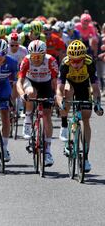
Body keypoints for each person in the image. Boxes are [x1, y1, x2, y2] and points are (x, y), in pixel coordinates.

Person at [56, 40, 103, 172]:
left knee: (86, 118)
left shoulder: (89, 63)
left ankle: (86, 158)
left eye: (78, 61)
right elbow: (59, 89)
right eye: (73, 60)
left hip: (83, 86)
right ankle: (65, 125)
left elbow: (95, 87)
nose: (75, 64)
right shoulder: (65, 63)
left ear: (84, 58)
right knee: (67, 91)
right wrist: (61, 103)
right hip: (69, 84)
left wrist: (97, 104)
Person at [16, 40, 58, 167]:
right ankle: (28, 118)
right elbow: (19, 81)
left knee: (47, 115)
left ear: (44, 54)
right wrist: (21, 94)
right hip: (31, 82)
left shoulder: (50, 60)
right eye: (33, 56)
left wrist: (56, 96)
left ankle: (48, 151)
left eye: (39, 56)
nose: (36, 59)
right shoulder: (26, 60)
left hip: (46, 84)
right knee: (30, 93)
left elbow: (56, 81)